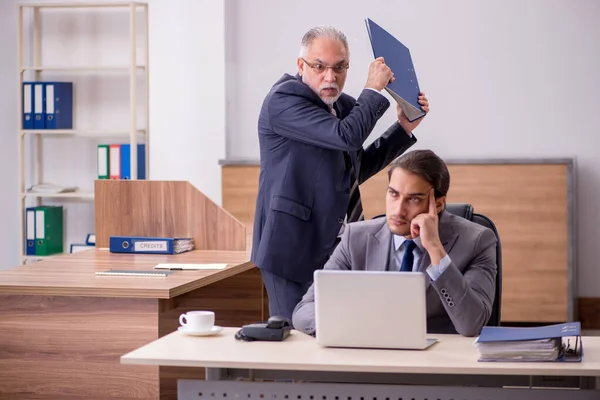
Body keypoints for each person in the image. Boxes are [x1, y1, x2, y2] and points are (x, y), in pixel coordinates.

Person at [251, 25, 430, 323]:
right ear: (301, 65)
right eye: (319, 67)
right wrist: (372, 90)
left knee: (340, 338)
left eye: (339, 67)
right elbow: (346, 136)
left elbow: (356, 167)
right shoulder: (283, 102)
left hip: (337, 246)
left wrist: (402, 130)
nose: (330, 77)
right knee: (295, 345)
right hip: (291, 246)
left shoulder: (344, 106)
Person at [292, 150, 498, 337]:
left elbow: (473, 324)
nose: (398, 210)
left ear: (438, 203)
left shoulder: (477, 241)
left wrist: (436, 250)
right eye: (393, 194)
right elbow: (305, 310)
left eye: (414, 199)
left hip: (437, 367)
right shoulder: (356, 238)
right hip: (370, 359)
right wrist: (350, 329)